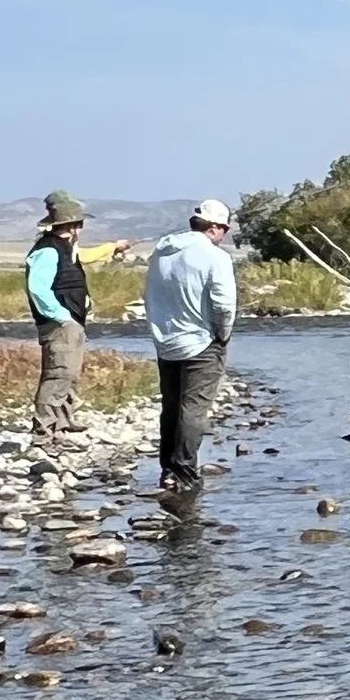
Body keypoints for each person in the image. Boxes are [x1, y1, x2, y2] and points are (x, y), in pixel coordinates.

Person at [144, 199, 239, 493]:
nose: (224, 235)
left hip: (166, 341)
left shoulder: (159, 254)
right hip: (201, 342)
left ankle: (167, 472)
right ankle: (185, 472)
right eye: (223, 229)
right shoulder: (215, 257)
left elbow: (149, 297)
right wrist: (222, 335)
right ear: (213, 228)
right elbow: (224, 305)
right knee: (193, 410)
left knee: (171, 407)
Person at [23, 191, 93, 454]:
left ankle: (62, 427)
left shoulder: (64, 248)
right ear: (72, 226)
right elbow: (38, 289)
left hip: (72, 320)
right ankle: (42, 435)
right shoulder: (47, 251)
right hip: (61, 324)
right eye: (80, 224)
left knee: (70, 375)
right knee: (57, 376)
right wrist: (61, 317)